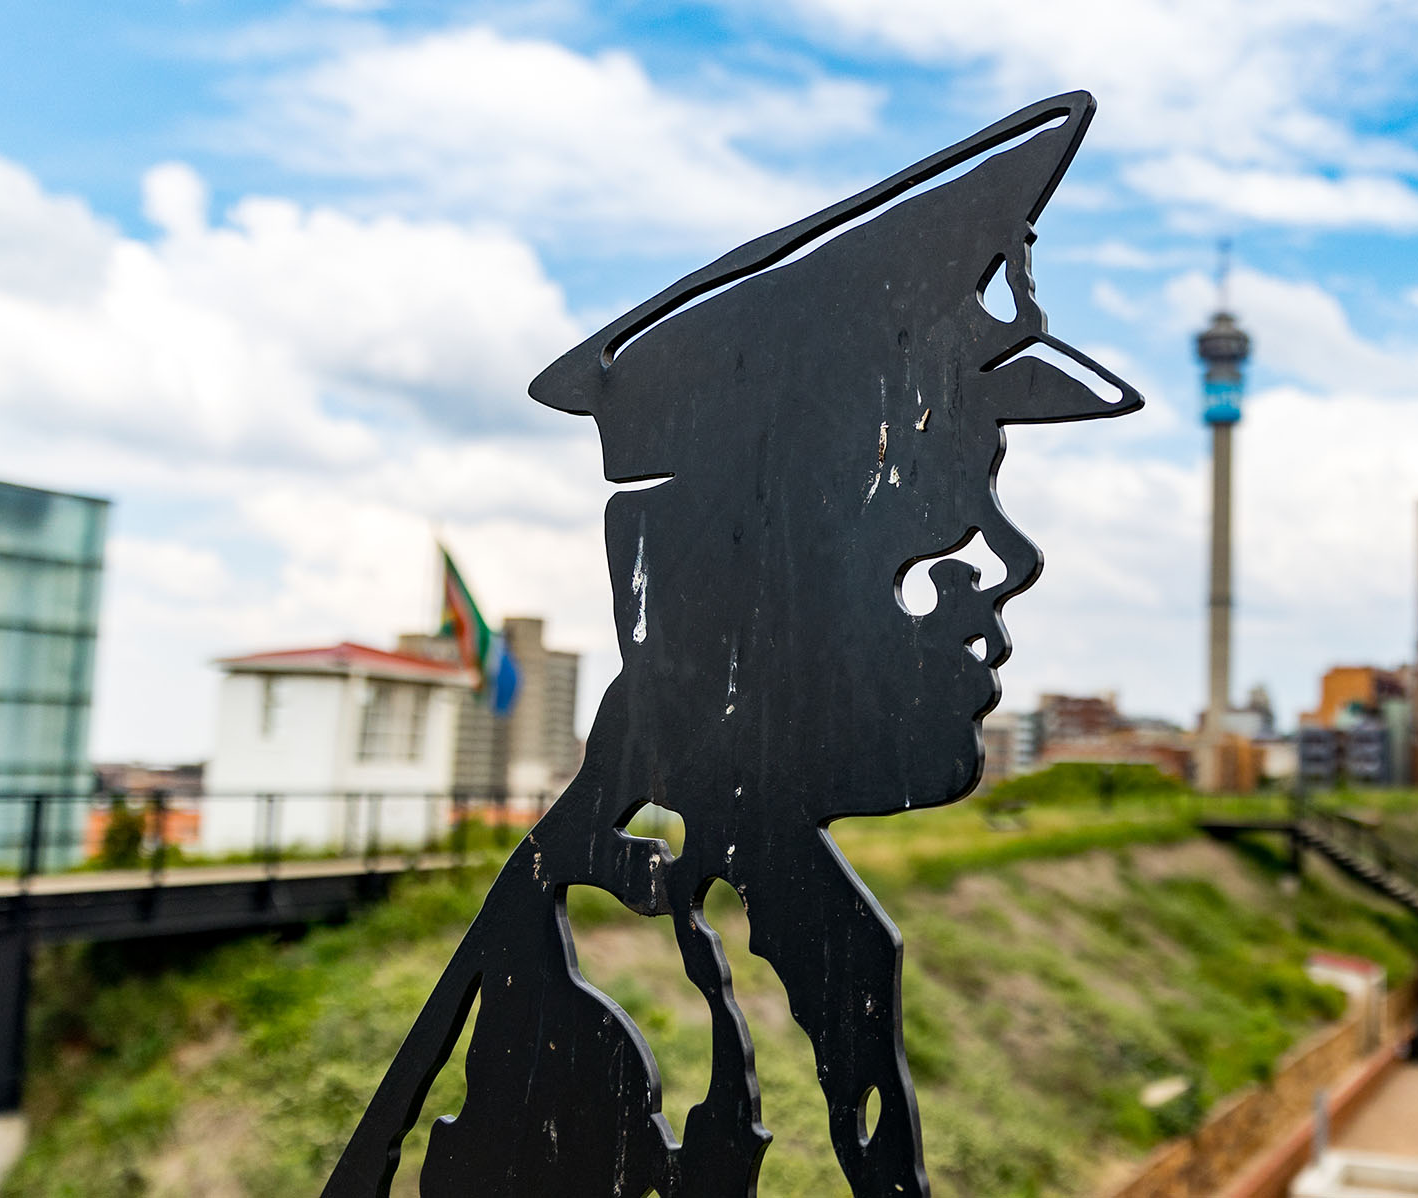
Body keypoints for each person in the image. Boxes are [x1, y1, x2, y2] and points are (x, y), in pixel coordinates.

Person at [325, 91, 1142, 1198]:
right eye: (944, 502)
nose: (1008, 561)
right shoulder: (587, 1022)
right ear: (747, 564)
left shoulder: (813, 936)